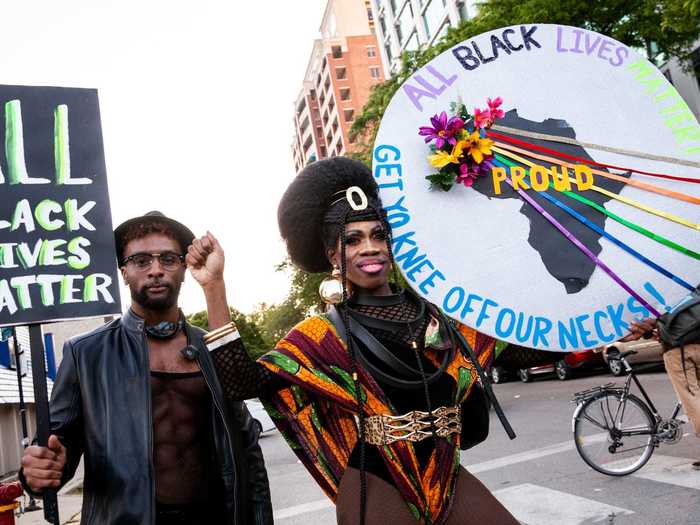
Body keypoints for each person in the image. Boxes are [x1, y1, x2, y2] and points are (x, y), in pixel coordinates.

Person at [203, 158, 518, 524]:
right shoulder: (322, 336)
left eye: (378, 235)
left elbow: (513, 345)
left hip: (446, 475)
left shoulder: (441, 314)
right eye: (353, 240)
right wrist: (214, 288)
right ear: (332, 254)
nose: (370, 247)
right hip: (375, 483)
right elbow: (243, 383)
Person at [19, 211, 273, 525]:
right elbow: (59, 446)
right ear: (123, 271)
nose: (155, 270)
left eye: (168, 259)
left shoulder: (215, 348)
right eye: (141, 261)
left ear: (183, 268)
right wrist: (41, 470)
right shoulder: (86, 353)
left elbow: (248, 449)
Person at [624, 300, 700, 471]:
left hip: (677, 351)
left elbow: (646, 324)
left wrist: (650, 330)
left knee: (692, 398)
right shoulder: (686, 281)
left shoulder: (655, 294)